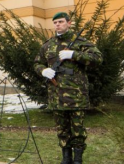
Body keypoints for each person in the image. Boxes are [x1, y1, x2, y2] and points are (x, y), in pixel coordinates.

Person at [34, 12, 102, 164]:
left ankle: (77, 159)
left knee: (78, 129)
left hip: (76, 94)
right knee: (62, 129)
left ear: (69, 23)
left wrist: (74, 54)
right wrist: (43, 71)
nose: (58, 24)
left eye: (61, 22)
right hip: (56, 95)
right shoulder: (48, 45)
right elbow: (37, 62)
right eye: (55, 22)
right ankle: (66, 158)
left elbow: (97, 58)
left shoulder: (80, 42)